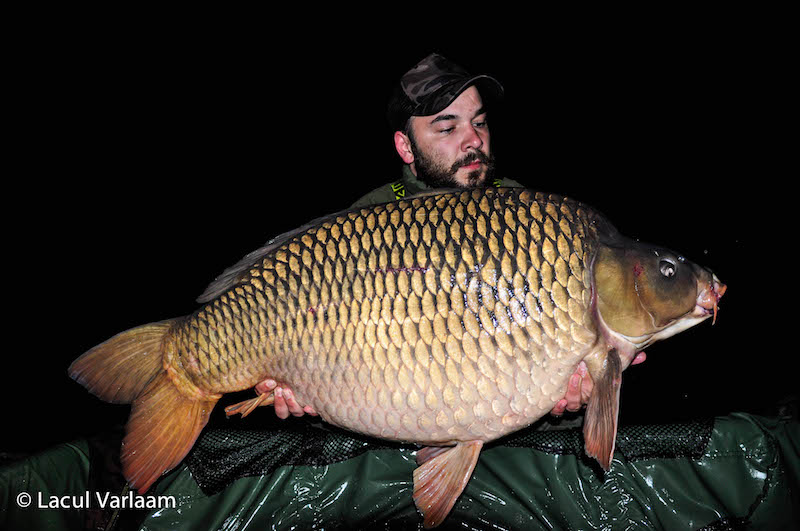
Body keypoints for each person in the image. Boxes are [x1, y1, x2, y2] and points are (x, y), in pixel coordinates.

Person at [260, 53, 646, 422]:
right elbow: (341, 380)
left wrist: (567, 405)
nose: (473, 140)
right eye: (447, 128)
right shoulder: (365, 221)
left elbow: (525, 384)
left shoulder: (526, 219)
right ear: (405, 146)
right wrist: (308, 401)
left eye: (479, 122)